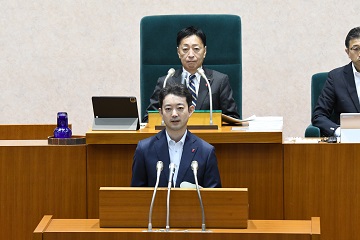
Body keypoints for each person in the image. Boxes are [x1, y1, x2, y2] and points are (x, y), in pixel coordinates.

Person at [142, 26, 240, 123]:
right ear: (178, 52)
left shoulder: (220, 81)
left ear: (205, 51)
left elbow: (233, 118)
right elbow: (148, 119)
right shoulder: (166, 81)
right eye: (185, 49)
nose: (191, 55)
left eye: (196, 49)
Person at [131, 84, 222, 188]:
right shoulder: (144, 149)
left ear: (190, 110)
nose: (174, 114)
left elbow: (214, 197)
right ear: (161, 112)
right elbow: (136, 195)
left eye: (180, 108)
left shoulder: (206, 151)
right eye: (168, 109)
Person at [312, 26, 360, 137]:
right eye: (356, 48)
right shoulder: (336, 78)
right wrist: (338, 131)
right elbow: (318, 116)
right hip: (348, 140)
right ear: (347, 52)